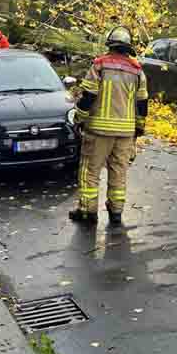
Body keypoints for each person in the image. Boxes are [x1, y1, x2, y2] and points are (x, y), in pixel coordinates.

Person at [69, 26, 148, 226]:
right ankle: (116, 212)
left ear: (110, 45)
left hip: (99, 130)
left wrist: (79, 118)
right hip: (125, 132)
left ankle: (88, 212)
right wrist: (138, 128)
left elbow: (88, 96)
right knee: (119, 171)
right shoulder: (137, 70)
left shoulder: (99, 65)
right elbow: (142, 103)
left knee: (90, 171)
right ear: (128, 48)